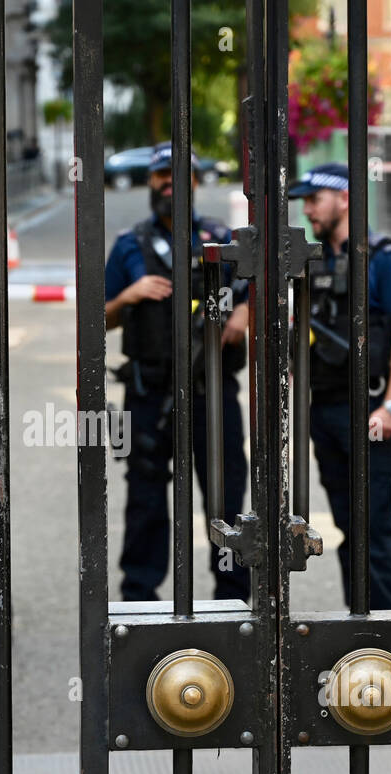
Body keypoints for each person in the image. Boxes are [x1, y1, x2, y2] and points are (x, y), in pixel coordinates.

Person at [104, 141, 251, 603]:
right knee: (145, 500)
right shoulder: (130, 245)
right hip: (149, 394)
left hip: (211, 391)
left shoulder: (220, 238)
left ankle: (232, 600)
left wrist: (243, 314)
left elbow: (256, 292)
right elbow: (96, 317)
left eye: (177, 175)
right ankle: (139, 600)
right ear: (151, 183)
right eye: (160, 176)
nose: (168, 183)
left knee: (225, 500)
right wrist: (128, 296)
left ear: (193, 182)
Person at [290, 162, 391, 611]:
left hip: (368, 408)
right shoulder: (317, 263)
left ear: (345, 198)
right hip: (325, 409)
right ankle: (358, 618)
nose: (307, 209)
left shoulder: (387, 260)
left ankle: (382, 630)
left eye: (315, 200)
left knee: (373, 525)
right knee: (350, 523)